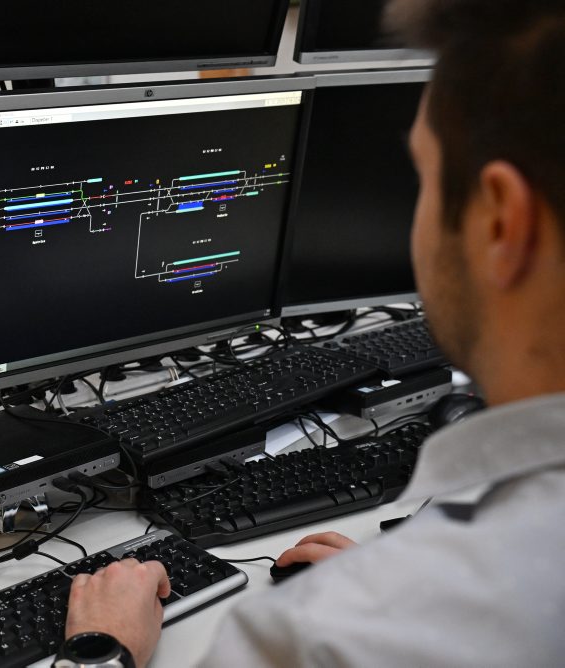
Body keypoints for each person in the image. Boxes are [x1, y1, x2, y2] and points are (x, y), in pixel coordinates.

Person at [62, 0, 565, 664]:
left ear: (501, 223)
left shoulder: (321, 637)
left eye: (422, 177)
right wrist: (402, 589)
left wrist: (101, 648)